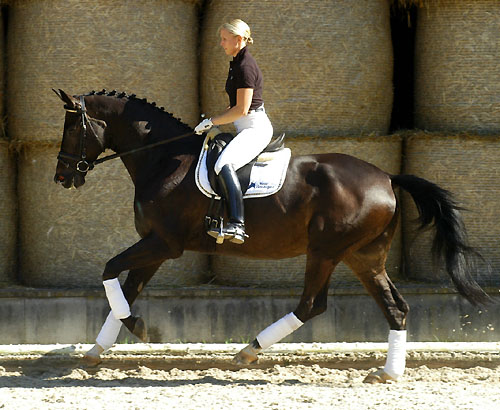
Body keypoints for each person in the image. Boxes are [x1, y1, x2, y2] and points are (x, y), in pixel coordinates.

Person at [195, 19, 273, 245]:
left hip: (255, 128)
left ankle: (237, 224)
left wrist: (211, 121)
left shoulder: (245, 66)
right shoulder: (236, 63)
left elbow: (242, 109)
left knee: (222, 164)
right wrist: (214, 121)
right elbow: (234, 108)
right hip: (244, 125)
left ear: (238, 40)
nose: (221, 44)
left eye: (224, 39)